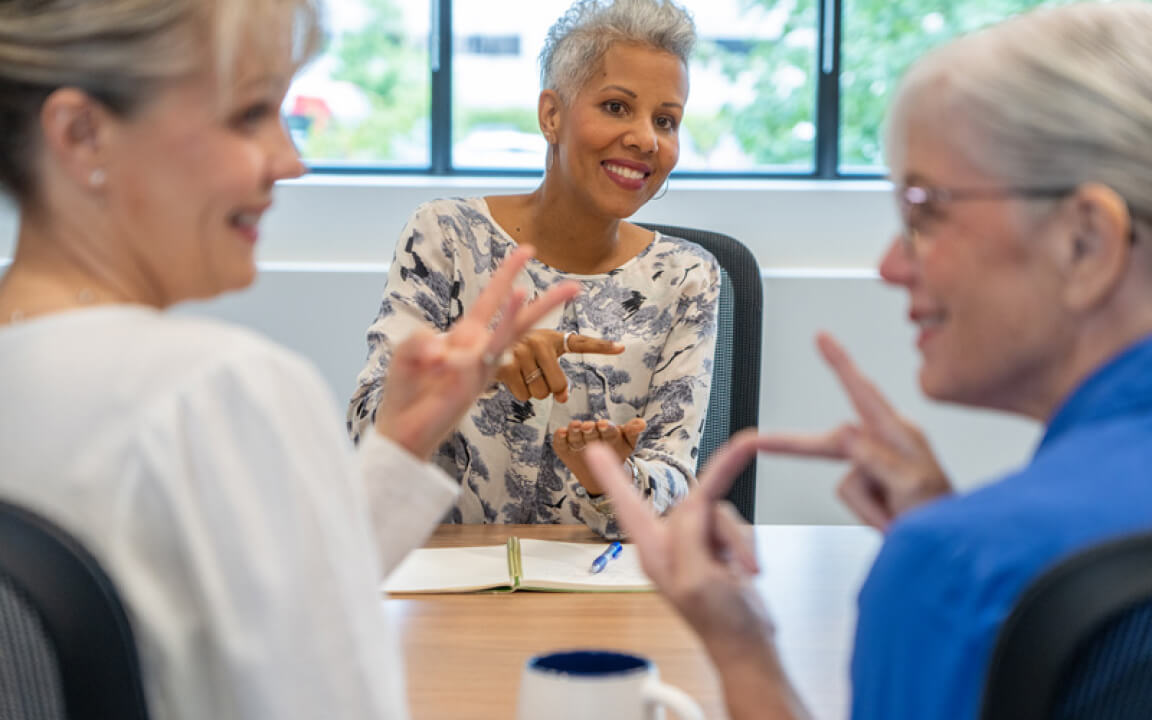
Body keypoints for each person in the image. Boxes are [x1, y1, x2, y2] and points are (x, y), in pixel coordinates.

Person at [0, 1, 576, 718]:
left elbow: (251, 609)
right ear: (82, 135)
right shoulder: (222, 393)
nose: (290, 159)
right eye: (248, 114)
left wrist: (401, 447)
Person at [586, 3, 1152, 719]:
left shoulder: (956, 569)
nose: (889, 264)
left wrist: (741, 646)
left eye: (925, 212)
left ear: (1087, 243)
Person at [346, 0, 720, 538]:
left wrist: (608, 478)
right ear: (552, 115)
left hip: (598, 586)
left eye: (666, 120)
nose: (646, 138)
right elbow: (367, 439)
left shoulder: (687, 277)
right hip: (444, 577)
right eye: (617, 107)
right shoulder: (446, 236)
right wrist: (469, 376)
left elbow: (672, 481)